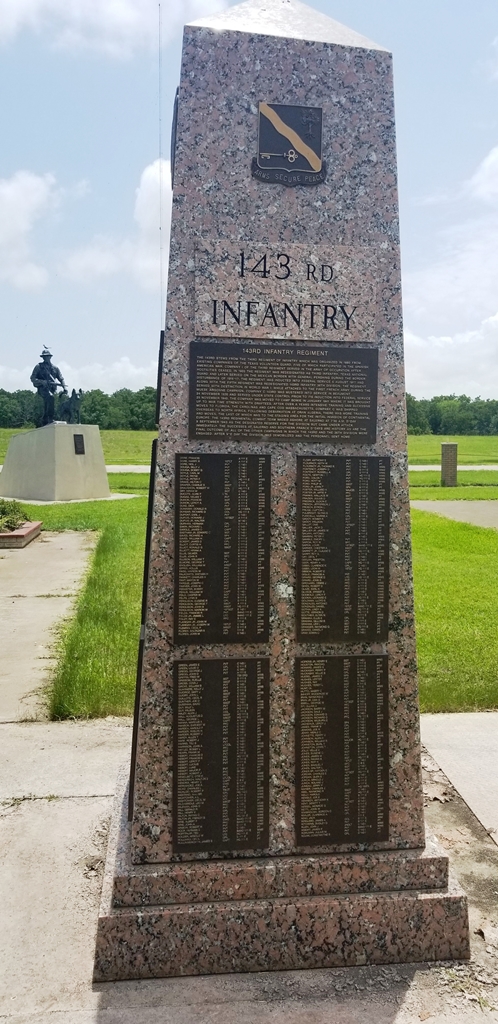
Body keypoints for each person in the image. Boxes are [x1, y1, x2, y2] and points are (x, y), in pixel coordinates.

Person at [30, 348, 67, 425]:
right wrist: (42, 382)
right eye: (44, 357)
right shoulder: (39, 366)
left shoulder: (55, 368)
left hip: (52, 389)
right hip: (42, 389)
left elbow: (61, 378)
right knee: (50, 397)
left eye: (47, 356)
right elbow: (32, 378)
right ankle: (50, 418)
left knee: (49, 402)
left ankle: (44, 419)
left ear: (50, 357)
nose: (46, 358)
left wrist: (64, 387)